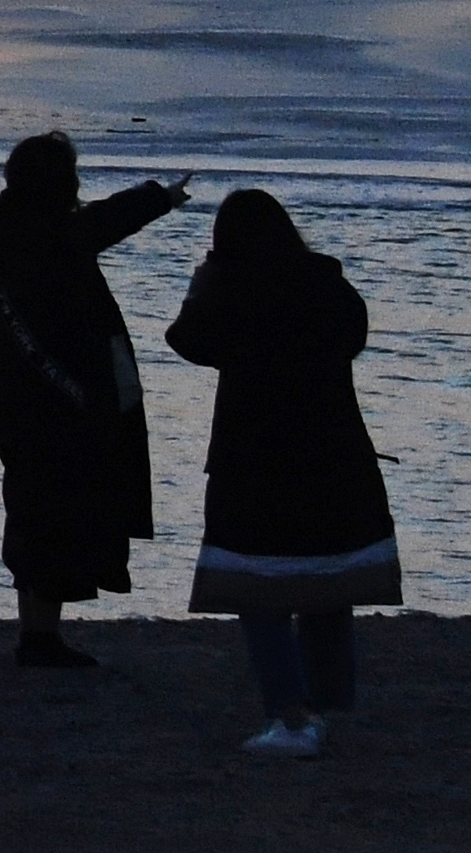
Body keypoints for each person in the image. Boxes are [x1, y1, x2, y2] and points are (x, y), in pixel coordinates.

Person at [163, 189, 402, 758]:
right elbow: (354, 337)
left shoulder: (233, 296)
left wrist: (203, 282)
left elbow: (186, 340)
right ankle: (324, 704)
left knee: (260, 588)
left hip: (256, 461)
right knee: (327, 580)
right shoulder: (329, 287)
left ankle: (289, 715)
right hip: (334, 454)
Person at [0, 132, 187, 667]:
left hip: (16, 393)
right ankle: (42, 637)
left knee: (29, 503)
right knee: (62, 510)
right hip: (71, 396)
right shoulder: (58, 235)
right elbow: (106, 220)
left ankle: (34, 633)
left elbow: (101, 220)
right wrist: (163, 196)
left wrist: (157, 198)